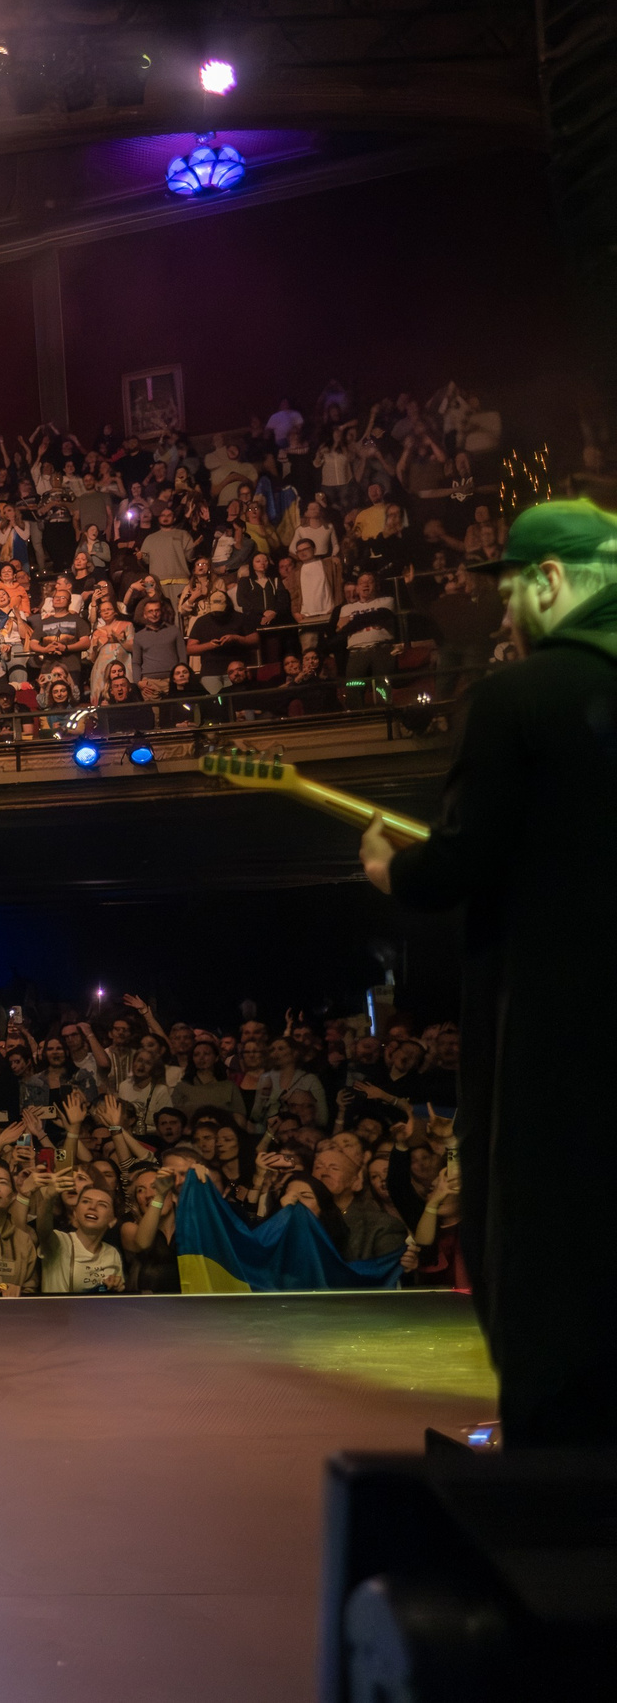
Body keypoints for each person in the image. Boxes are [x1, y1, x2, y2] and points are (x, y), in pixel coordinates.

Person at [361, 498, 617, 1447]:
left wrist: (395, 867)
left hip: (552, 1024)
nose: (503, 619)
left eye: (509, 593)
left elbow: (459, 863)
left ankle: (549, 1433)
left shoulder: (516, 698)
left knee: (541, 1215)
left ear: (551, 581)